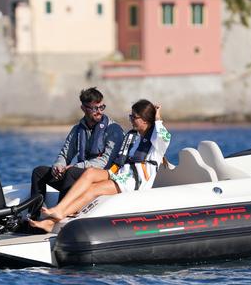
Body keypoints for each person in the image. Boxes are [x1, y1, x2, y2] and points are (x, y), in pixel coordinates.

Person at [30, 99, 171, 233]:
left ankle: (54, 219)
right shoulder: (133, 137)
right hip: (120, 174)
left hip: (134, 181)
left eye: (134, 117)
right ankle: (59, 210)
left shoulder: (157, 141)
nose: (131, 119)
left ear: (145, 120)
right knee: (90, 172)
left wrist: (158, 119)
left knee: (92, 189)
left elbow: (164, 137)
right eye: (131, 116)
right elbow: (120, 162)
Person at [30, 87, 124, 210]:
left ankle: (59, 213)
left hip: (101, 177)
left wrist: (75, 167)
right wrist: (58, 166)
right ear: (83, 108)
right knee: (39, 172)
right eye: (95, 108)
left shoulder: (114, 130)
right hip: (78, 175)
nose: (99, 112)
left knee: (71, 172)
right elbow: (64, 155)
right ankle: (34, 215)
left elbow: (105, 162)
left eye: (102, 107)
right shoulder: (77, 130)